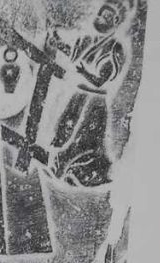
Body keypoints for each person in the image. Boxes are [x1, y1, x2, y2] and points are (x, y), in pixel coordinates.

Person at [47, 0, 134, 187]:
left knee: (83, 139)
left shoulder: (115, 47)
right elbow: (74, 56)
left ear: (115, 21)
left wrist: (84, 72)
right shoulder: (87, 39)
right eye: (101, 14)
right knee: (66, 131)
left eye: (107, 16)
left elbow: (101, 79)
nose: (102, 18)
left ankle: (80, 174)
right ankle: (59, 169)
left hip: (95, 100)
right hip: (78, 96)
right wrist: (57, 41)